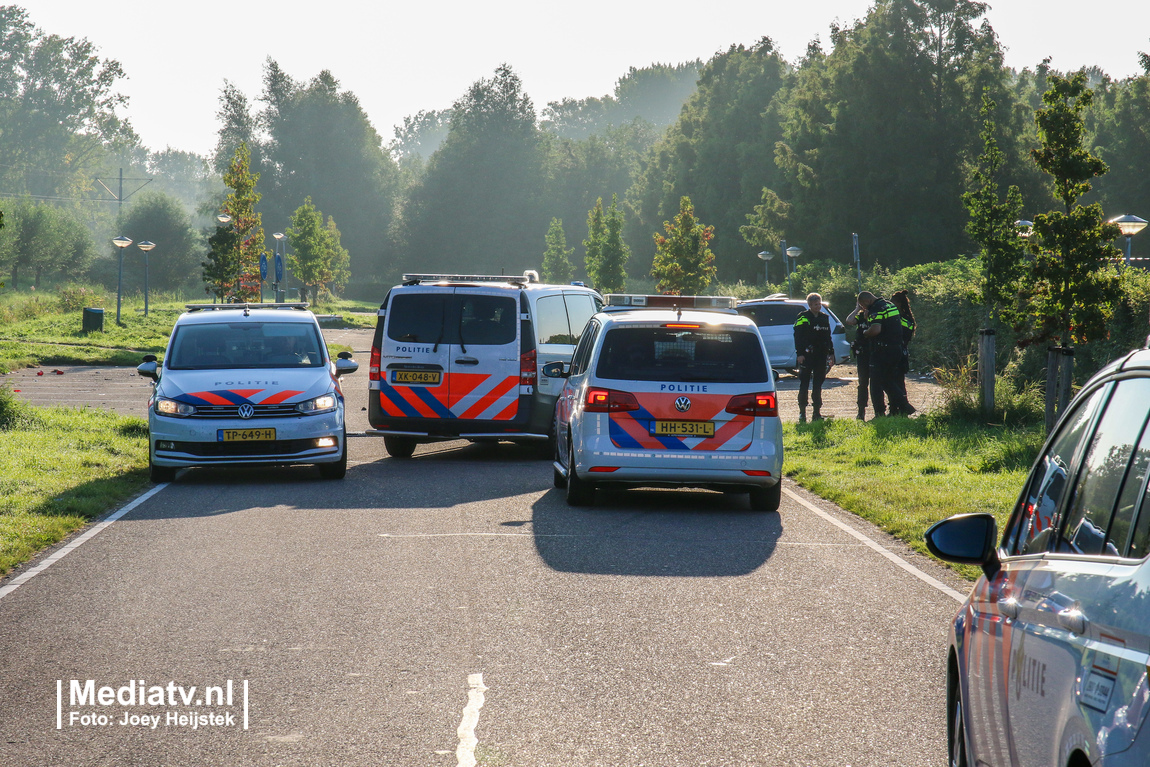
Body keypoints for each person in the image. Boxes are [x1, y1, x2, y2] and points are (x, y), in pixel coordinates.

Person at [857, 291, 913, 416]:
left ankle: (880, 412)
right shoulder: (889, 305)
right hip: (896, 349)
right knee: (889, 380)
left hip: (882, 351)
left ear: (866, 301)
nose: (864, 309)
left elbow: (876, 329)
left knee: (877, 382)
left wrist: (865, 332)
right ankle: (904, 407)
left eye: (863, 306)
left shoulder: (876, 309)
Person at [793, 292, 834, 422]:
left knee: (818, 384)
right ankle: (802, 412)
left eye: (819, 303)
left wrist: (831, 353)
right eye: (815, 304)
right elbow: (797, 336)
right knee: (804, 383)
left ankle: (816, 412)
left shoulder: (824, 318)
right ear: (809, 305)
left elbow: (828, 337)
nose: (818, 306)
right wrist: (799, 354)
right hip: (806, 356)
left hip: (820, 355)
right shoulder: (803, 317)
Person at [843, 301, 883, 419]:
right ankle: (861, 411)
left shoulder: (875, 316)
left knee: (877, 383)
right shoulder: (859, 317)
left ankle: (879, 411)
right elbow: (849, 321)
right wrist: (857, 309)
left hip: (874, 353)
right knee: (863, 383)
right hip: (862, 354)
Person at [890, 290, 916, 412]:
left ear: (899, 304)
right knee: (896, 381)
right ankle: (896, 407)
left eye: (893, 302)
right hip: (898, 352)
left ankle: (900, 407)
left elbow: (903, 337)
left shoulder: (903, 320)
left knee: (897, 381)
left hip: (899, 353)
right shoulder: (904, 319)